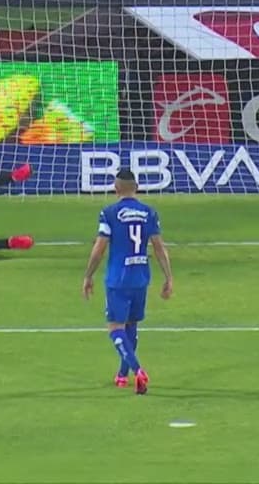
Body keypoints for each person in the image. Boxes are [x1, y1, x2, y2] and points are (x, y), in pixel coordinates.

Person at [81, 168, 174, 395]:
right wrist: (168, 277)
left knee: (115, 327)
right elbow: (159, 247)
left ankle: (137, 370)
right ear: (137, 188)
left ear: (116, 189)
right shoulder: (149, 213)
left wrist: (88, 275)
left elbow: (99, 248)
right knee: (131, 325)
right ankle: (122, 375)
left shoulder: (109, 213)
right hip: (140, 277)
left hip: (118, 279)